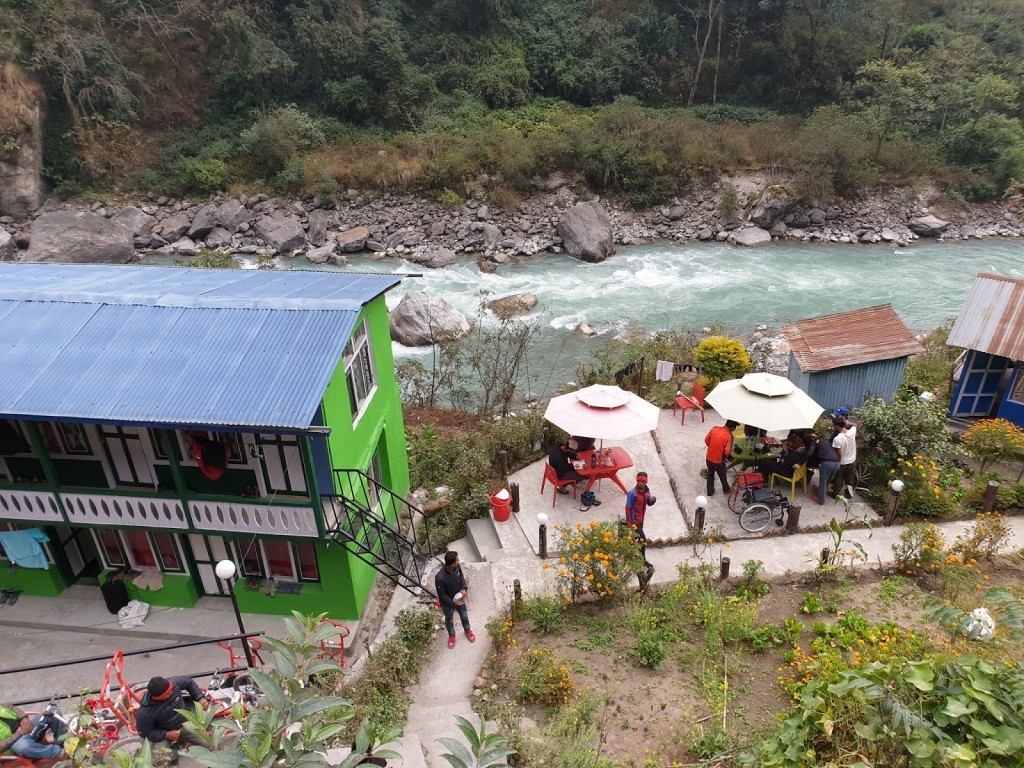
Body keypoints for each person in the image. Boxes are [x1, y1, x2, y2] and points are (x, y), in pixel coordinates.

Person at [136, 676, 212, 745]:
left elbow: (188, 682)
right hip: (169, 731)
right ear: (159, 698)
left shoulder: (173, 683)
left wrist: (200, 697)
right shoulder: (145, 713)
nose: (172, 692)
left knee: (207, 741)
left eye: (171, 689)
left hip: (186, 719)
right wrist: (165, 734)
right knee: (159, 756)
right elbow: (144, 733)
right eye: (168, 693)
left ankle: (189, 740)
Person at [435, 551, 475, 649]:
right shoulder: (440, 578)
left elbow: (462, 578)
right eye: (457, 560)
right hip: (448, 604)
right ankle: (452, 636)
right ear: (452, 563)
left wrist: (464, 589)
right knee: (449, 619)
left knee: (464, 615)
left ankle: (467, 630)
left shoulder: (457, 567)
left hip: (459, 598)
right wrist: (454, 603)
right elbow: (442, 596)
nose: (458, 561)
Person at [0, 703, 66, 759]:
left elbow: (11, 707)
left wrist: (24, 718)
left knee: (53, 711)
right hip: (15, 743)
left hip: (28, 727)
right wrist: (20, 733)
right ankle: (60, 753)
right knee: (22, 747)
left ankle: (64, 743)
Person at [624, 472, 656, 564]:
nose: (641, 483)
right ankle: (643, 560)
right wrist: (629, 522)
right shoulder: (631, 493)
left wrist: (653, 500)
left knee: (634, 538)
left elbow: (649, 503)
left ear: (646, 482)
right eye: (639, 481)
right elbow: (628, 508)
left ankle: (627, 556)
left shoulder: (647, 491)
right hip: (635, 521)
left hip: (641, 520)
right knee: (643, 540)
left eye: (643, 481)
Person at [704, 420, 737, 496]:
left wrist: (712, 447)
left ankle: (710, 491)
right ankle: (726, 489)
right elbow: (727, 452)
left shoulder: (714, 429)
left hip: (709, 457)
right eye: (735, 428)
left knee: (710, 473)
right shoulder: (729, 436)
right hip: (719, 461)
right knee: (722, 475)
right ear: (732, 427)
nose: (734, 429)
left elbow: (706, 440)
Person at [809, 434, 840, 505]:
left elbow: (810, 453)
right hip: (836, 462)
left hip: (827, 463)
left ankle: (820, 500)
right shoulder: (826, 442)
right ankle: (818, 490)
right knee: (828, 479)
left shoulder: (814, 442)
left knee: (823, 482)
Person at [831, 418, 858, 499]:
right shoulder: (852, 432)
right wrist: (849, 423)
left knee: (839, 478)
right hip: (852, 460)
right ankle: (849, 495)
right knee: (849, 478)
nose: (832, 426)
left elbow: (838, 453)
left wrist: (838, 462)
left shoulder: (837, 439)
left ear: (837, 426)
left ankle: (835, 494)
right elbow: (855, 425)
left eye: (833, 425)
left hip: (843, 462)